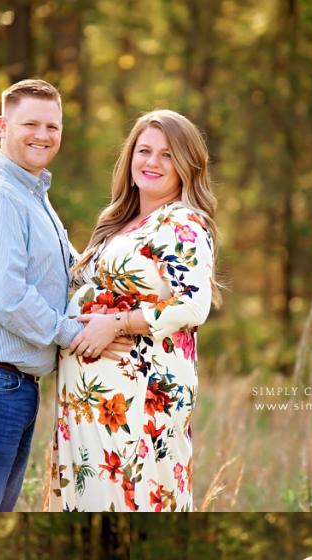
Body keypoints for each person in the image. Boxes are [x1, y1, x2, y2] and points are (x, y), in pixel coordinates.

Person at [0, 78, 116, 512]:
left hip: (6, 383)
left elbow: (73, 271)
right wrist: (75, 335)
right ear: (2, 126)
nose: (43, 135)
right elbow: (8, 296)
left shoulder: (33, 195)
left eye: (53, 126)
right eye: (30, 123)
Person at [49, 109, 218, 512]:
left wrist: (117, 323)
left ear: (187, 166)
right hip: (90, 401)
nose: (152, 162)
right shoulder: (121, 220)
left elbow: (193, 304)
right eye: (144, 151)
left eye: (167, 155)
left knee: (136, 500)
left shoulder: (182, 222)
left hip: (138, 399)